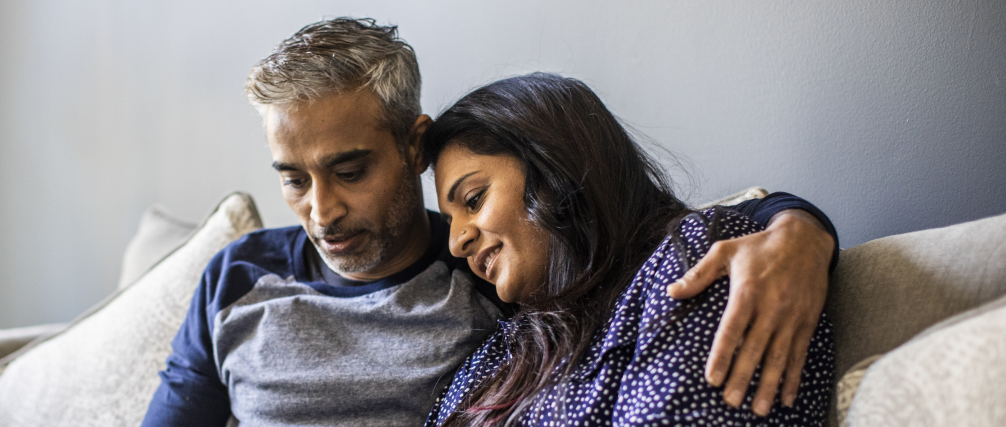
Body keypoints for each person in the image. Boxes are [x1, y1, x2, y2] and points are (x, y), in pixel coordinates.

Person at [142, 19, 839, 426]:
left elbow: (653, 240)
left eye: (349, 170)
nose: (321, 211)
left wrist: (797, 226)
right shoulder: (239, 275)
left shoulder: (500, 286)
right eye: (293, 180)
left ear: (411, 146)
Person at [425, 73, 835, 426]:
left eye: (474, 199)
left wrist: (801, 225)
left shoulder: (696, 264)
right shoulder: (499, 349)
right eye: (450, 220)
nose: (456, 242)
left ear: (555, 166)